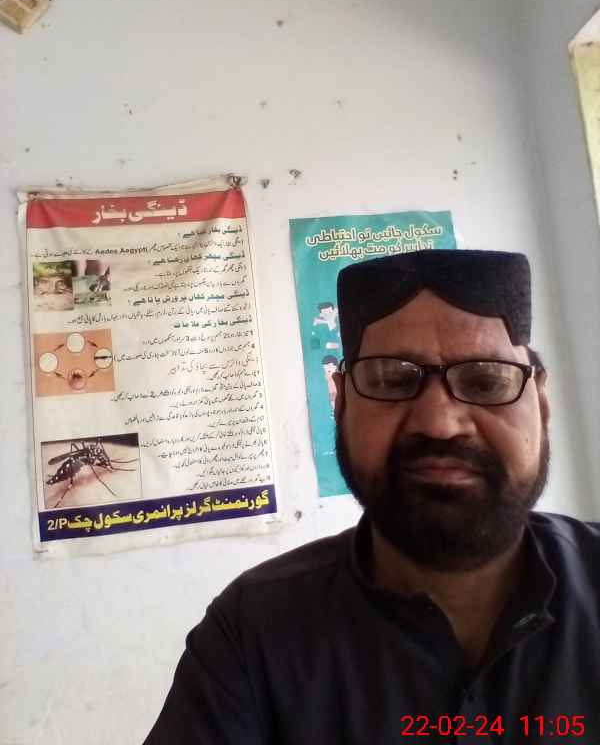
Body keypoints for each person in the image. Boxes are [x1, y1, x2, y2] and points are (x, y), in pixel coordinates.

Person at [144, 249, 600, 744]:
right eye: (391, 380)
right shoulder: (253, 636)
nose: (440, 424)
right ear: (340, 402)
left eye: (487, 380)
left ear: (541, 403)